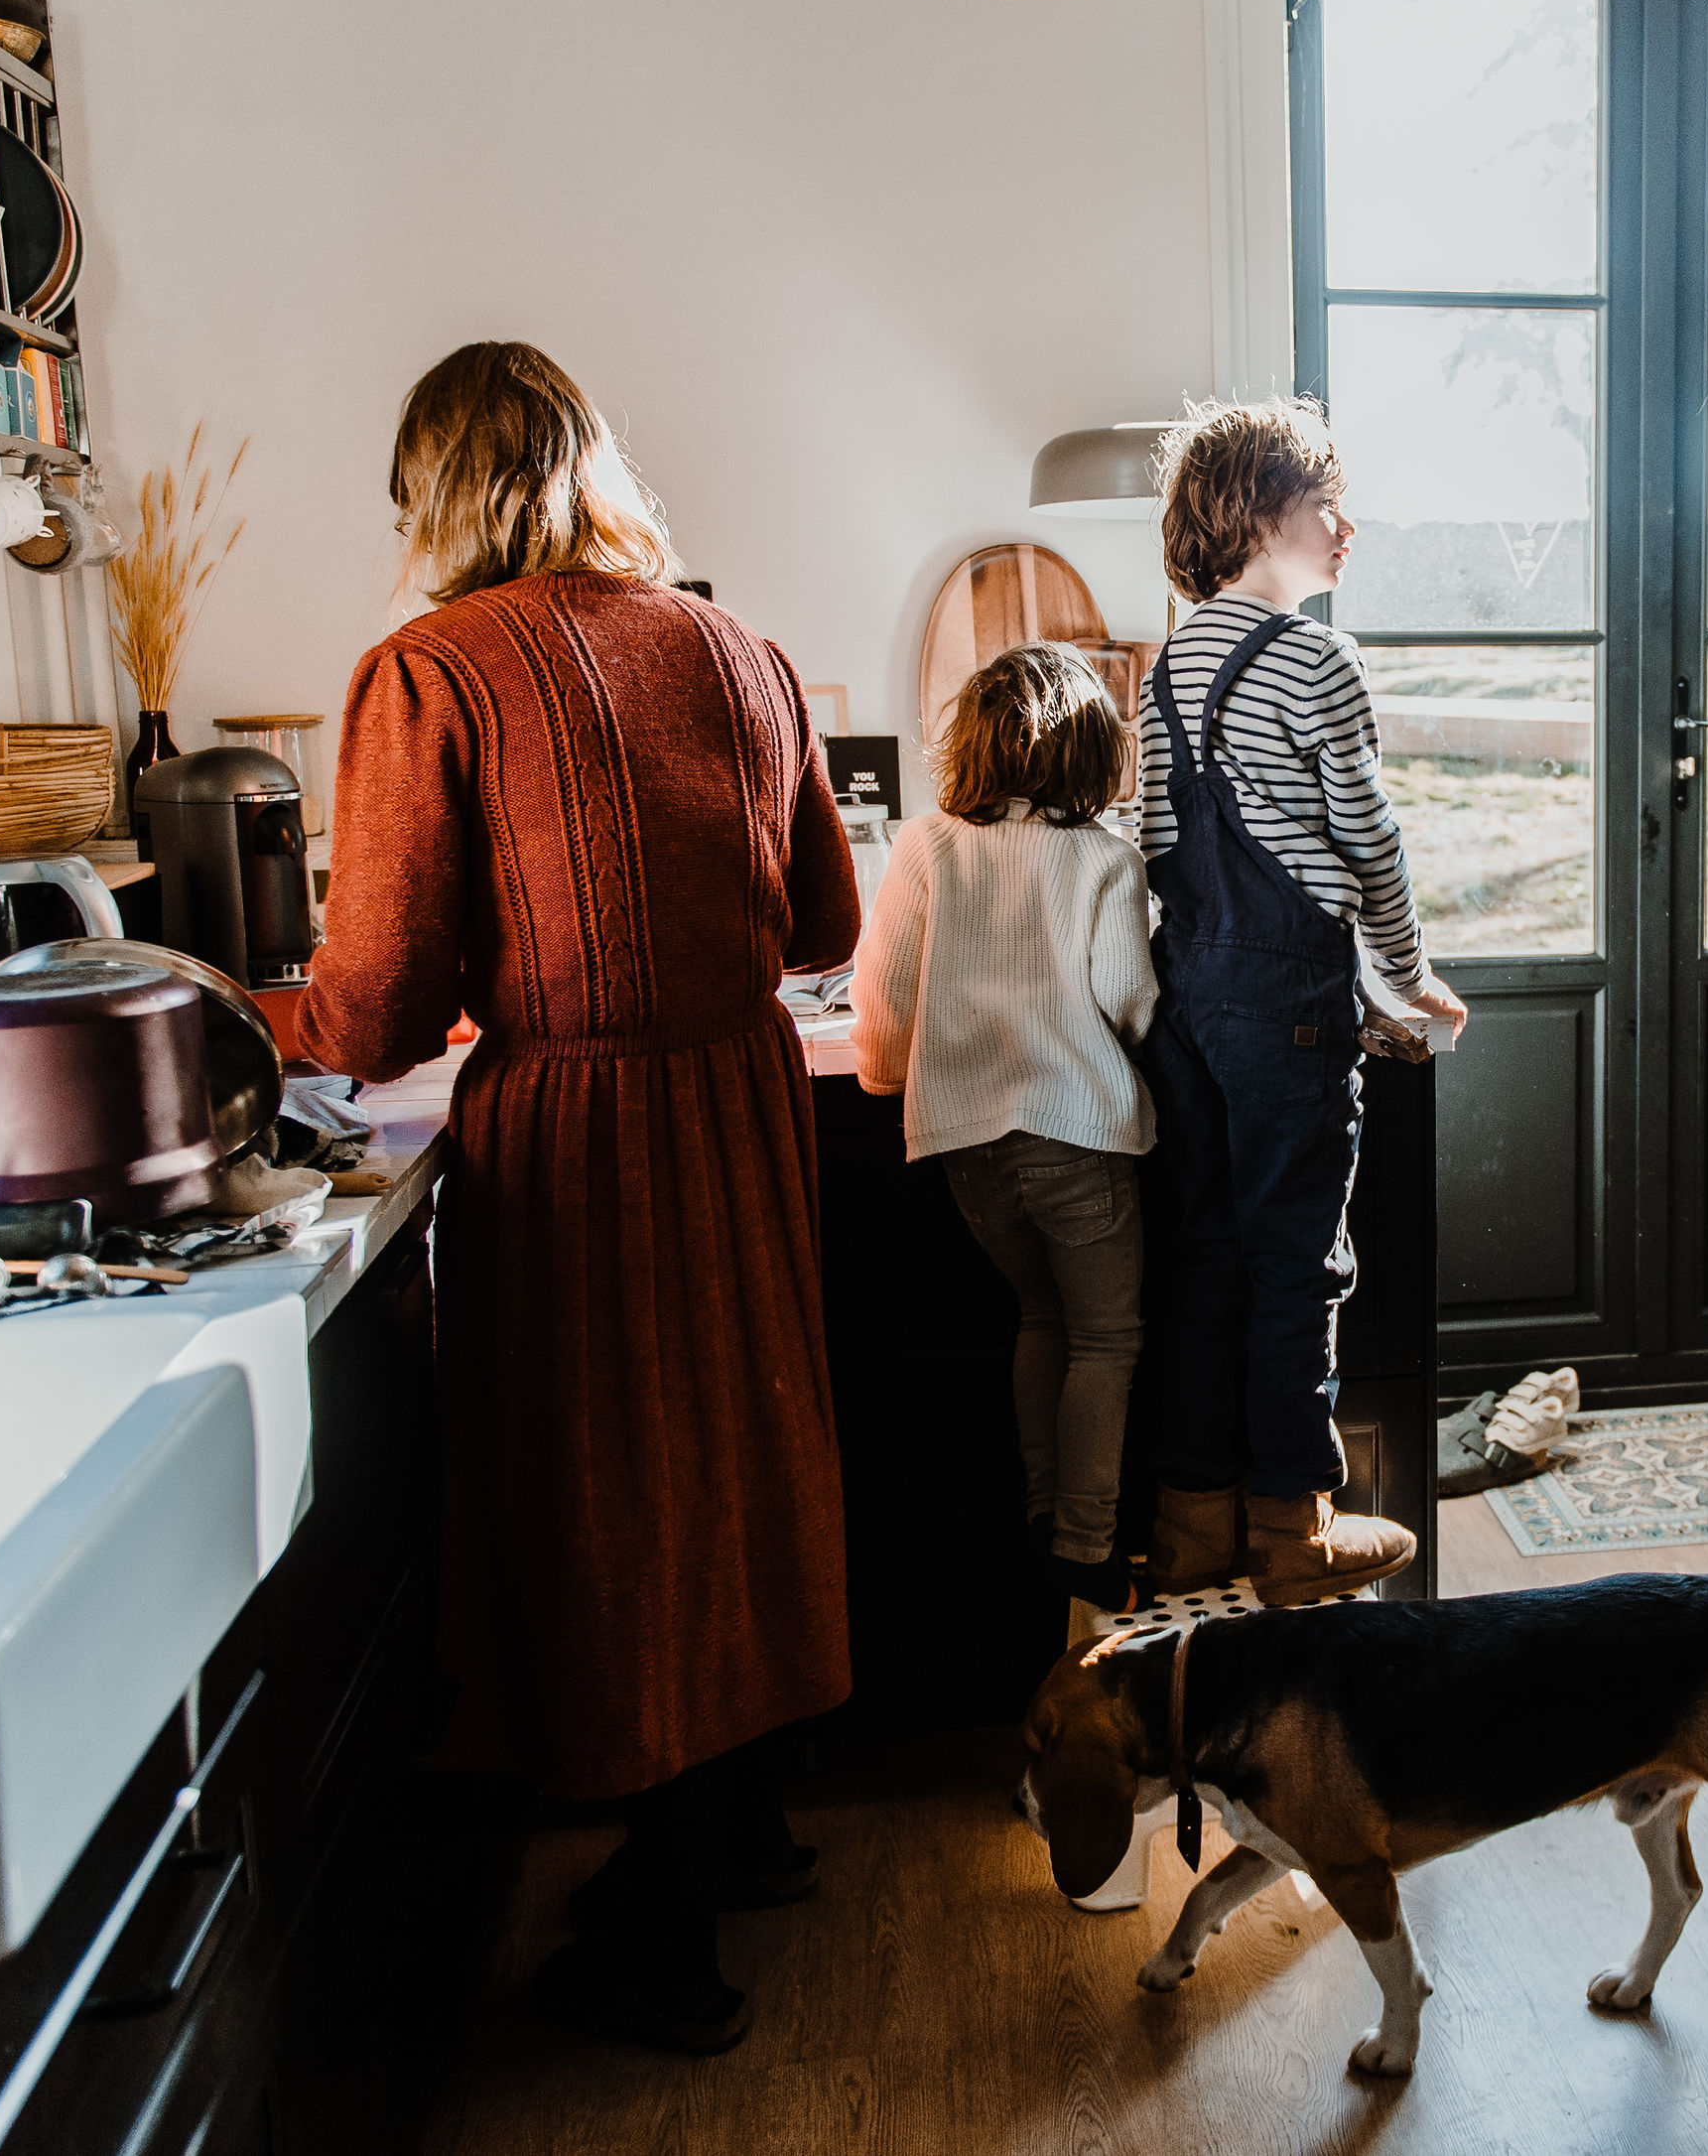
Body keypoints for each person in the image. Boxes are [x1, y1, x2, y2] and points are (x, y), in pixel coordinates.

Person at [298, 340, 855, 2060]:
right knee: (738, 1459)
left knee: (610, 1489)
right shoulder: (741, 646)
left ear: (437, 500)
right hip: (741, 1104)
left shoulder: (431, 673)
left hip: (586, 1131)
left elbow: (377, 1003)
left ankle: (666, 1948)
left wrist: (241, 1024)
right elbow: (827, 927)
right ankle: (738, 1829)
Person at [1136, 399, 1468, 1605]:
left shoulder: (1166, 663)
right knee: (1300, 1263)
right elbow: (1368, 843)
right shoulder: (1316, 658)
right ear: (1259, 511)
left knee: (1207, 1255)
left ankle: (1190, 1522)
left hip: (1192, 994)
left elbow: (1157, 844)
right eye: (1328, 503)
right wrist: (1406, 973)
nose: (1348, 527)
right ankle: (1293, 1525)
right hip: (1286, 993)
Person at [852, 641, 1158, 1615]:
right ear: (1091, 749)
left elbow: (884, 991)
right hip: (1078, 1134)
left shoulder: (928, 842)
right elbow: (1128, 996)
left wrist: (886, 1075)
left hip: (967, 1142)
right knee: (1106, 1338)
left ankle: (1037, 1504)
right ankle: (1087, 1543)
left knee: (1039, 1314)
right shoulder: (1107, 855)